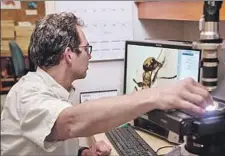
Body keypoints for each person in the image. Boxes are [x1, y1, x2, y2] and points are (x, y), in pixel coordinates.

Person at [1, 12, 213, 156]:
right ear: (68, 55)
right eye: (86, 49)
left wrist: (82, 152)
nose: (89, 56)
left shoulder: (60, 88)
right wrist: (155, 95)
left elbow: (55, 137)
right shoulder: (27, 94)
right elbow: (69, 123)